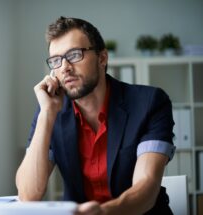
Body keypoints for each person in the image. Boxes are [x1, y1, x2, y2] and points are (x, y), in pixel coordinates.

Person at [15, 16, 176, 215]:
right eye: (56, 60)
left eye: (74, 55)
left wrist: (103, 212)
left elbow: (147, 188)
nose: (64, 67)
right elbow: (28, 195)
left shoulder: (149, 103)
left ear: (102, 58)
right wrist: (46, 114)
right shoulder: (49, 110)